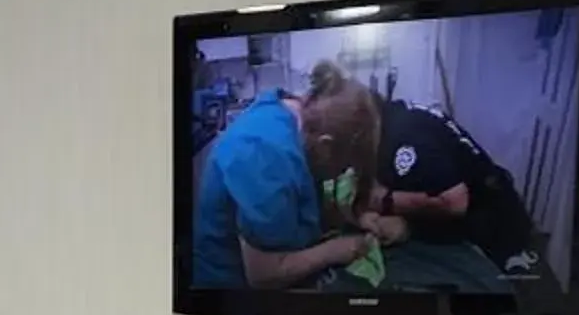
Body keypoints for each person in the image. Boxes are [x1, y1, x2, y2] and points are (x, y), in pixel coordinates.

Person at [191, 63, 404, 290]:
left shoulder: (299, 115)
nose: (342, 173)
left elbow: (306, 198)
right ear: (325, 145)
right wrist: (336, 250)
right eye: (344, 166)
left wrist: (356, 219)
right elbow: (263, 276)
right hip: (229, 288)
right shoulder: (264, 155)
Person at [372, 97, 547, 284]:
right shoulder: (395, 113)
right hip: (480, 205)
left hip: (493, 220)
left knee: (517, 294)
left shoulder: (403, 135)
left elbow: (454, 203)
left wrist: (386, 202)